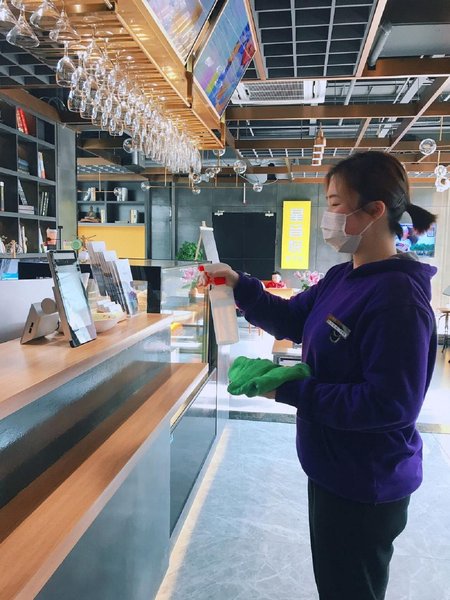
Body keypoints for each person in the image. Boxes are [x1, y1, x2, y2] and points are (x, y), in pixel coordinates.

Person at [202, 151, 437, 600]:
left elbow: (390, 405)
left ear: (374, 211)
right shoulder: (342, 277)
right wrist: (238, 284)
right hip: (332, 467)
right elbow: (293, 318)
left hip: (365, 482)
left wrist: (291, 389)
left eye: (334, 204)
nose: (327, 218)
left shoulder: (397, 299)